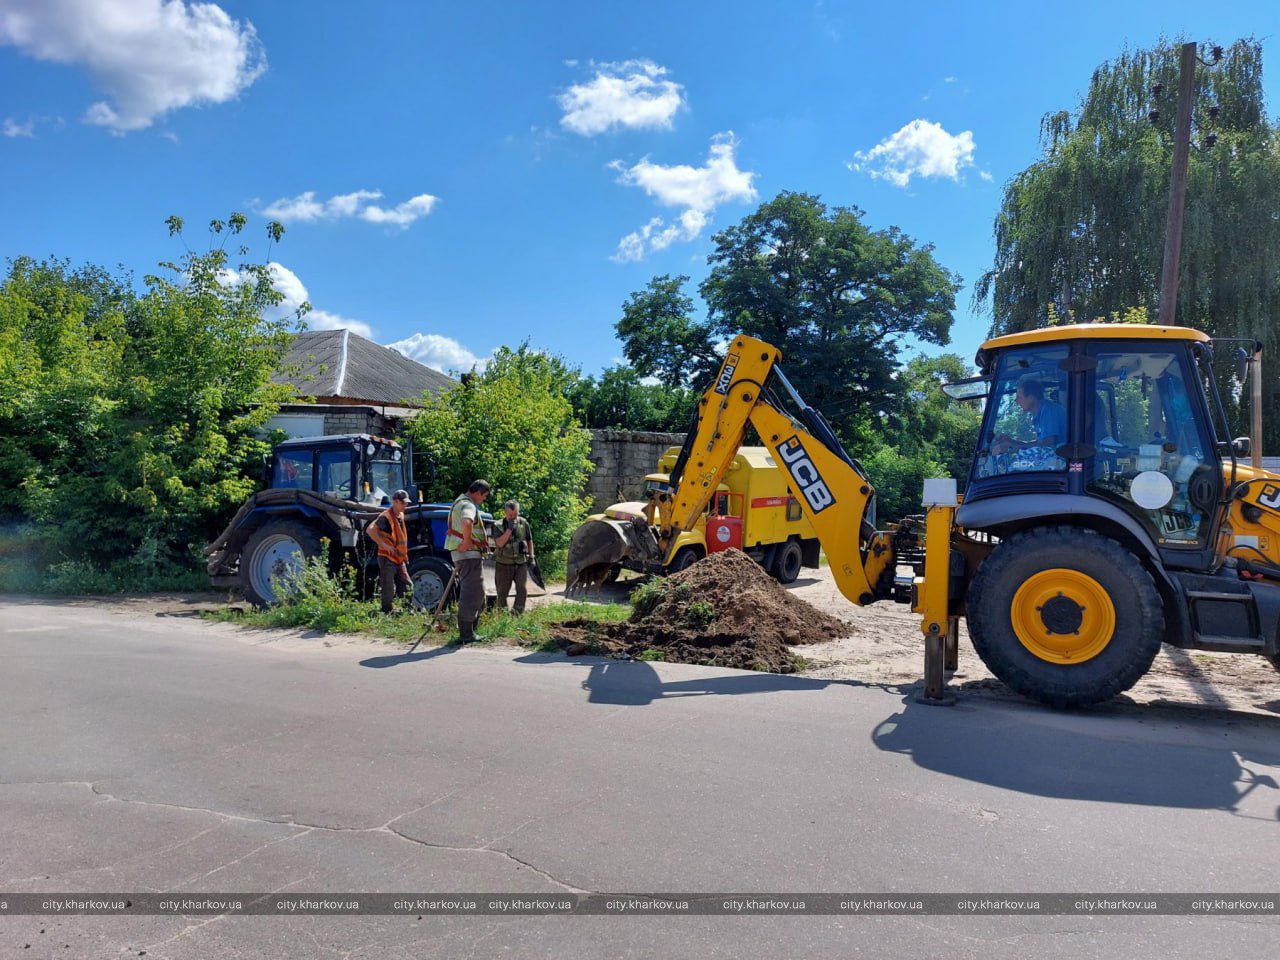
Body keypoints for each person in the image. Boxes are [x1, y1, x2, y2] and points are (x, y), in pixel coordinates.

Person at [444, 479, 491, 642]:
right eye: (484, 496)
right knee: (472, 593)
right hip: (468, 554)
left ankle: (471, 629)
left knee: (478, 592)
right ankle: (466, 634)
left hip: (465, 555)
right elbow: (466, 521)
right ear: (478, 492)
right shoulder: (468, 505)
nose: (483, 499)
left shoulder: (459, 501)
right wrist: (467, 541)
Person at [993, 377, 1067, 454]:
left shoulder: (1048, 410)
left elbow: (1047, 444)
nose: (1016, 401)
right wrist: (1012, 442)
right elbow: (1039, 444)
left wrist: (1011, 448)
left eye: (1019, 397)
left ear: (1031, 398)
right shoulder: (1040, 413)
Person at [366, 489, 411, 614]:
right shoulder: (385, 517)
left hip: (399, 557)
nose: (406, 505)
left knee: (407, 585)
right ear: (395, 502)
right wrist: (384, 545)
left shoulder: (400, 515)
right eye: (403, 503)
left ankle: (407, 609)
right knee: (388, 587)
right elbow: (370, 530)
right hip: (387, 557)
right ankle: (386, 611)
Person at [493, 499, 535, 615]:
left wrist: (532, 556)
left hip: (520, 562)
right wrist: (509, 529)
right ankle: (502, 615)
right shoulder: (498, 525)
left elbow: (529, 540)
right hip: (503, 563)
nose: (514, 517)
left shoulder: (523, 523)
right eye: (511, 515)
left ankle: (517, 613)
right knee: (502, 592)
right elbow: (500, 543)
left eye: (516, 514)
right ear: (505, 512)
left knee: (522, 589)